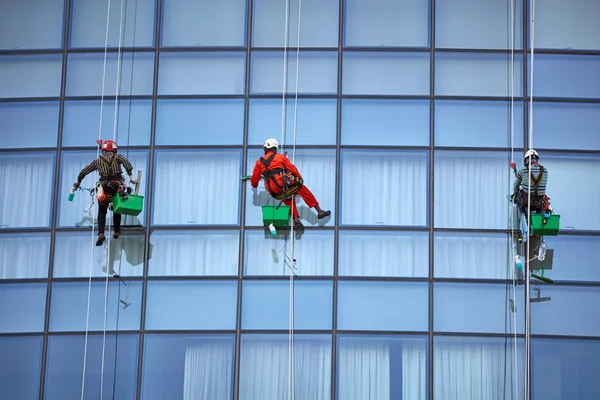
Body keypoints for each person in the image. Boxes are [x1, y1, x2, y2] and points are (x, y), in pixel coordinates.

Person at [250, 138, 331, 230]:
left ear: (265, 148)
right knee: (302, 189)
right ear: (275, 149)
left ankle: (296, 220)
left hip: (273, 191)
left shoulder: (259, 162)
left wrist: (254, 186)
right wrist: (299, 178)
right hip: (281, 184)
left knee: (287, 198)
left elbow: (254, 179)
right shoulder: (280, 157)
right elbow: (292, 168)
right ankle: (319, 211)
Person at [72, 140, 137, 246]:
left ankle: (101, 234)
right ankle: (116, 231)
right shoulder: (118, 157)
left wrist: (78, 182)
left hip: (103, 189)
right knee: (117, 208)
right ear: (114, 150)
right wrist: (131, 176)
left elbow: (84, 171)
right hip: (117, 187)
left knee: (102, 211)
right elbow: (127, 163)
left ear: (104, 150)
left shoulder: (97, 162)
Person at [511, 149, 549, 214]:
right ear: (537, 159)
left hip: (526, 202)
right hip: (539, 202)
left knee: (518, 199)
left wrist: (515, 192)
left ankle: (525, 218)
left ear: (527, 160)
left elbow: (516, 184)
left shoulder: (523, 169)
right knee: (541, 205)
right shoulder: (545, 170)